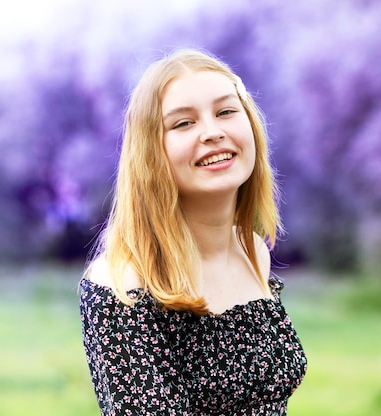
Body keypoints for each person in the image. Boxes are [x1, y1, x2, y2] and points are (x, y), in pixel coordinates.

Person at [79, 48, 307, 416]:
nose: (213, 132)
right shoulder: (123, 284)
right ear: (151, 153)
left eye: (226, 112)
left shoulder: (252, 250)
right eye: (183, 123)